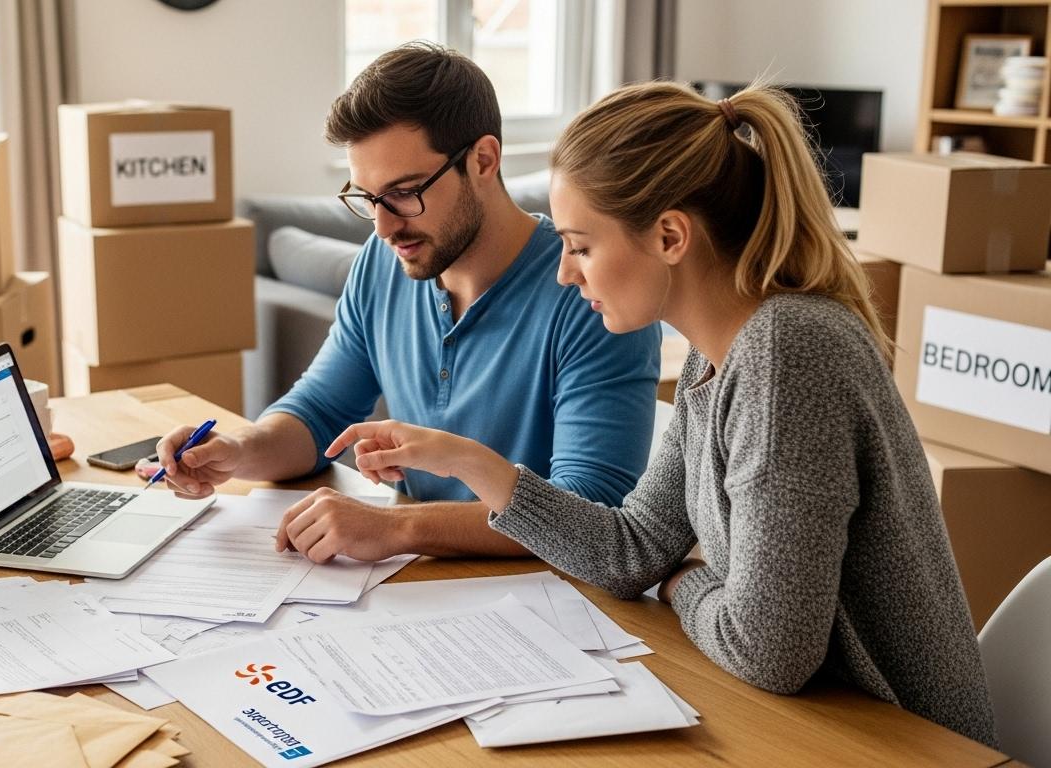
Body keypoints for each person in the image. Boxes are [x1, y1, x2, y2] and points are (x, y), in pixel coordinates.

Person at [318, 81, 998, 746]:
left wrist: (684, 583)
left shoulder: (788, 352)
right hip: (827, 719)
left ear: (670, 236)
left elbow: (767, 652)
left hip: (905, 739)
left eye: (581, 245)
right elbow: (631, 548)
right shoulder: (716, 357)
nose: (564, 273)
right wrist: (470, 463)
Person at [155, 42, 660, 560]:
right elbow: (319, 411)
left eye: (404, 192)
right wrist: (236, 452)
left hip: (552, 604)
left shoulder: (591, 294)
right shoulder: (382, 262)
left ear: (483, 160)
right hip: (412, 593)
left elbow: (593, 511)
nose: (383, 226)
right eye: (368, 198)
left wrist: (397, 528)